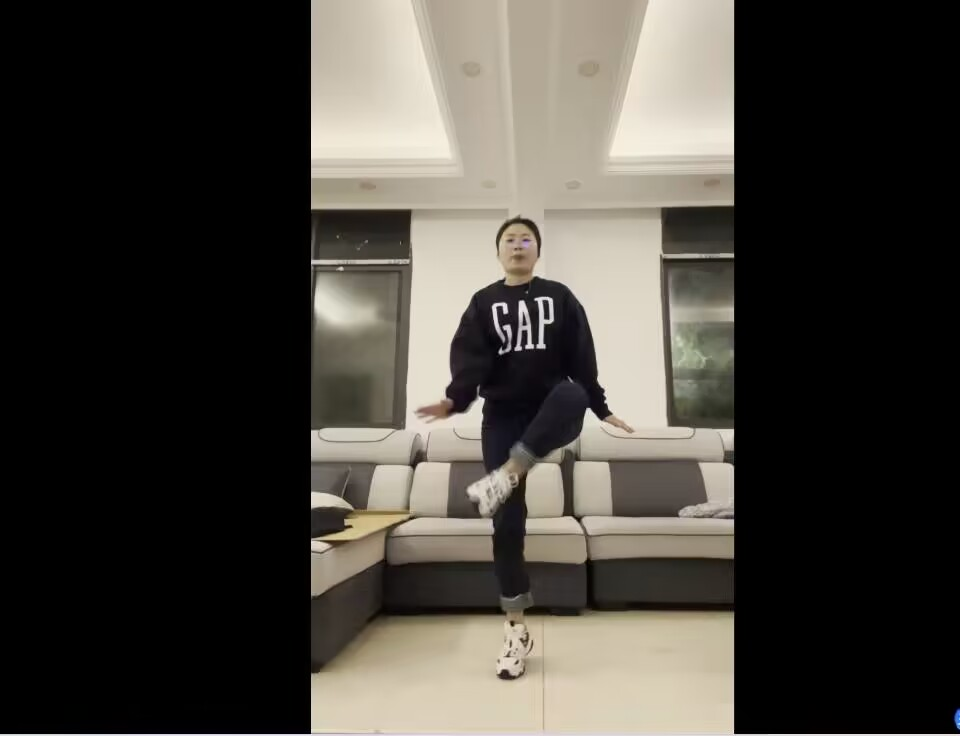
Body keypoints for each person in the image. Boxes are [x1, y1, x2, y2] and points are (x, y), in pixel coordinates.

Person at [416, 215, 634, 680]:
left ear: (538, 250)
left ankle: (509, 473)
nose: (518, 245)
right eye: (510, 240)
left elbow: (583, 359)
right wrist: (453, 400)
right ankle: (516, 629)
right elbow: (471, 360)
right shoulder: (484, 302)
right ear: (499, 252)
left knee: (572, 391)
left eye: (527, 239)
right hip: (502, 417)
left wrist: (602, 408)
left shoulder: (560, 297)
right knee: (507, 523)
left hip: (551, 410)